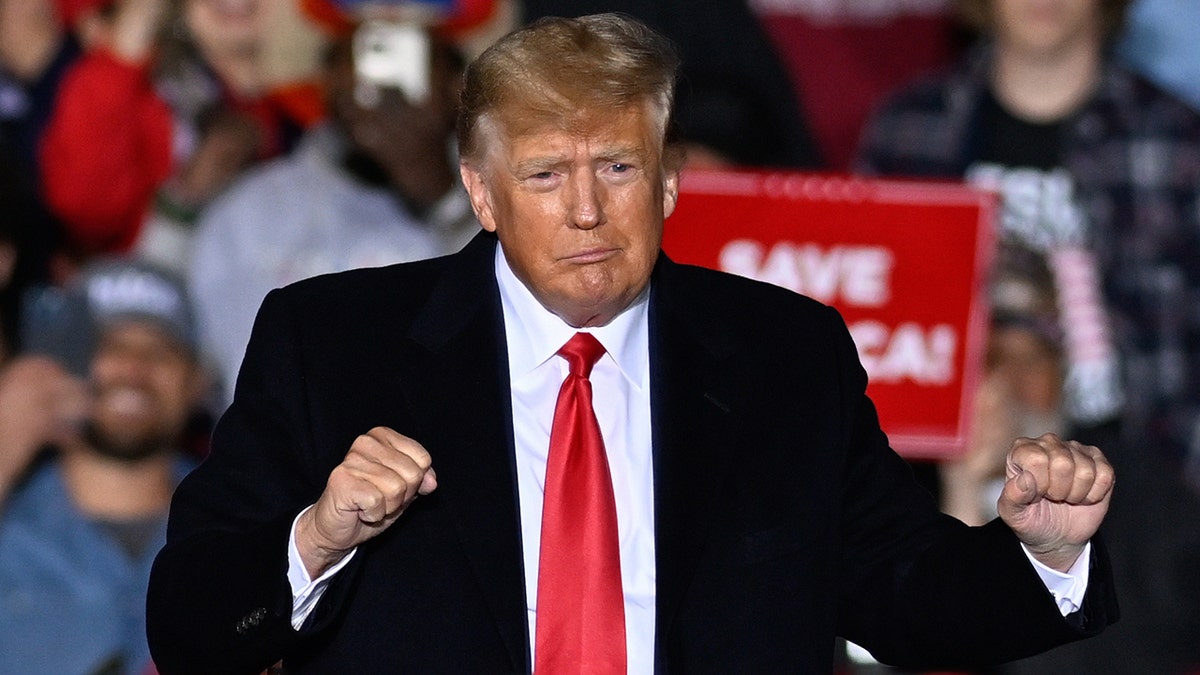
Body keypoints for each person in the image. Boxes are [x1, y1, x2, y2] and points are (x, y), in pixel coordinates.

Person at [147, 13, 1117, 674]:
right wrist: (317, 539)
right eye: (543, 175)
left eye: (617, 166)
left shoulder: (785, 357)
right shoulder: (332, 345)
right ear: (480, 193)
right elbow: (190, 620)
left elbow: (904, 594)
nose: (584, 211)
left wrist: (1041, 554)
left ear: (667, 184)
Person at [856, 0, 1200, 671]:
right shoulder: (909, 127)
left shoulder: (1172, 140)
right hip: (934, 472)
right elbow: (868, 314)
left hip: (1129, 483)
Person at [188, 25, 478, 406]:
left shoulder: (505, 207)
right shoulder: (249, 209)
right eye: (364, 53)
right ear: (325, 79)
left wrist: (444, 200)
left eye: (404, 55)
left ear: (458, 86)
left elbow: (514, 334)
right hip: (273, 457)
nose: (381, 79)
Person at [0, 258, 207, 674]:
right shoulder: (10, 528)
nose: (133, 368)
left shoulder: (248, 532)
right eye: (107, 346)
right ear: (59, 370)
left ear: (196, 383)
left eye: (160, 351)